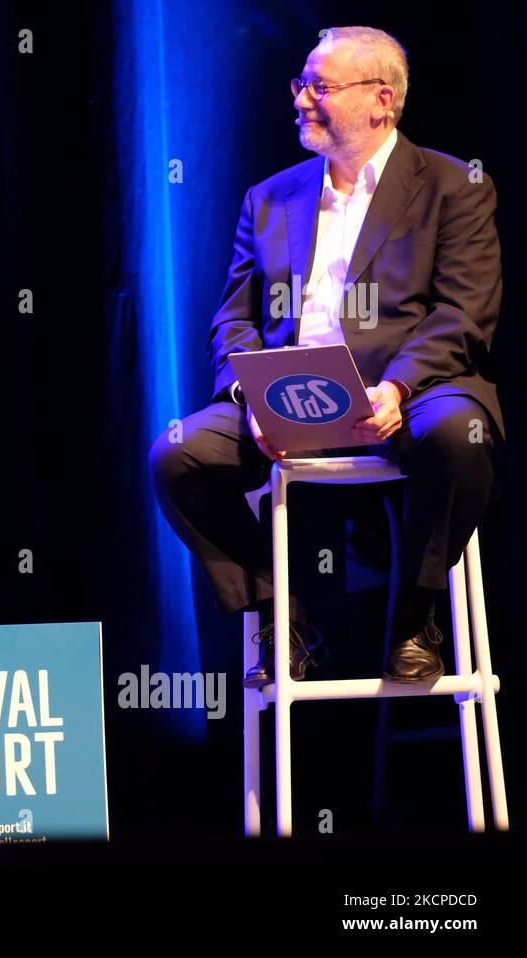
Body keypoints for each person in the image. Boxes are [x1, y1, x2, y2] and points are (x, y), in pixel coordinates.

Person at [149, 26, 503, 688]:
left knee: (460, 434)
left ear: (381, 100)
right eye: (300, 84)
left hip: (413, 390)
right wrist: (251, 396)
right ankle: (281, 615)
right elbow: (234, 320)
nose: (300, 99)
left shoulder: (453, 188)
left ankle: (415, 615)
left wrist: (397, 388)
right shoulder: (271, 197)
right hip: (291, 395)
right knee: (178, 456)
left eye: (319, 86)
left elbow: (464, 313)